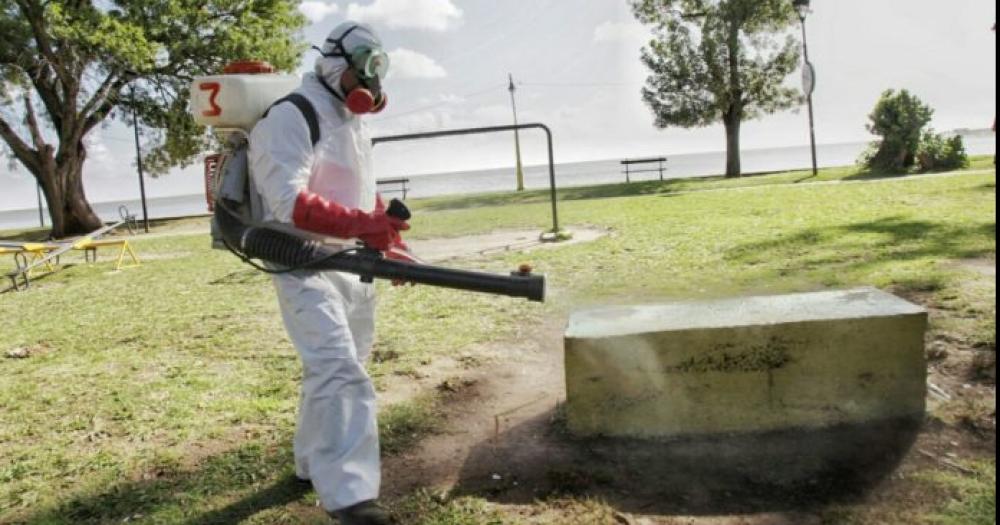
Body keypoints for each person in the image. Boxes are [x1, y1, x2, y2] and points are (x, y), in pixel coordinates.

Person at [248, 21, 406, 525]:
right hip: (303, 262)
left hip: (351, 262)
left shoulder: (352, 119)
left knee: (341, 362)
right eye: (364, 75)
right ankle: (352, 499)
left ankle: (308, 462)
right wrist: (365, 225)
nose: (370, 90)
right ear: (335, 64)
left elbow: (363, 189)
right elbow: (288, 203)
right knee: (339, 367)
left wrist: (391, 240)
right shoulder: (290, 116)